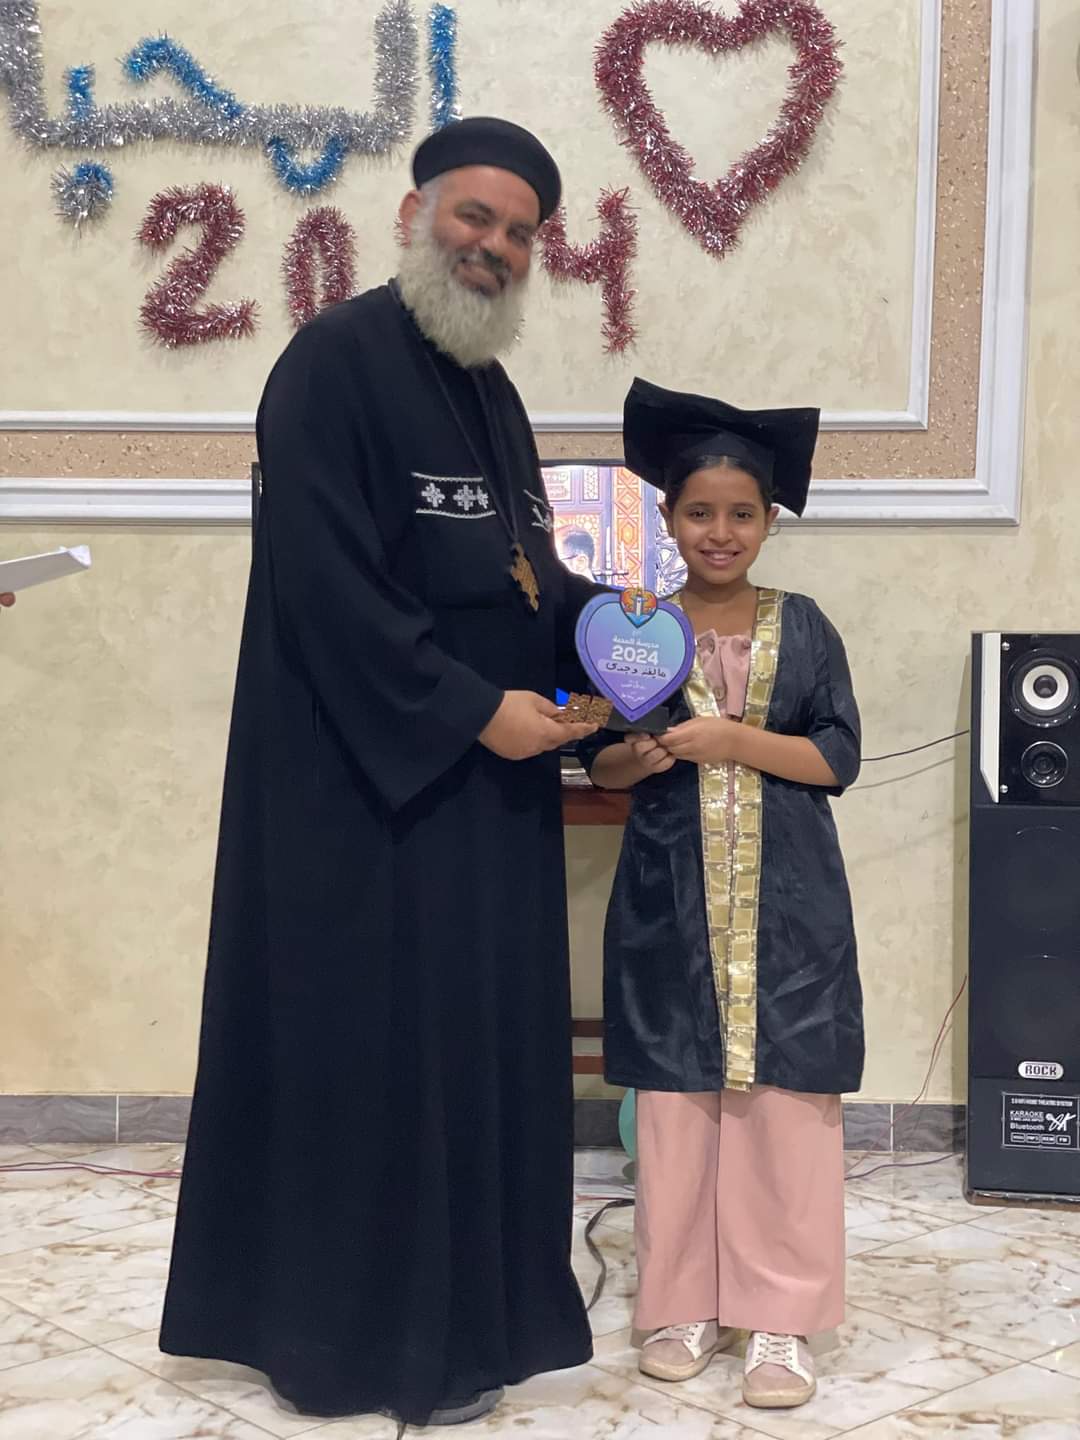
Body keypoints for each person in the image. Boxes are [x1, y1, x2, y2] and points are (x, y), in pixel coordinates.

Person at [159, 117, 600, 1428]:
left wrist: (625, 657)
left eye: (520, 233)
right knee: (382, 1069)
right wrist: (470, 713)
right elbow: (328, 589)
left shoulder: (491, 394)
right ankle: (364, 1347)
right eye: (476, 217)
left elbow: (527, 579)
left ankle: (478, 1324)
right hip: (365, 799)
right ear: (415, 215)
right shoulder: (331, 366)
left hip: (483, 795)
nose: (494, 247)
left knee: (476, 1064)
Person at [580, 378, 863, 1411]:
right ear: (667, 517)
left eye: (742, 513)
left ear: (770, 521)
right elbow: (603, 764)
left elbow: (837, 757)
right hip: (670, 900)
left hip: (790, 906)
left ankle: (780, 1314)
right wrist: (645, 755)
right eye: (699, 510)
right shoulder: (634, 629)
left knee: (784, 1105)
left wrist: (732, 740)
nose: (720, 531)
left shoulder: (806, 626)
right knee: (679, 1104)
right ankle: (684, 1302)